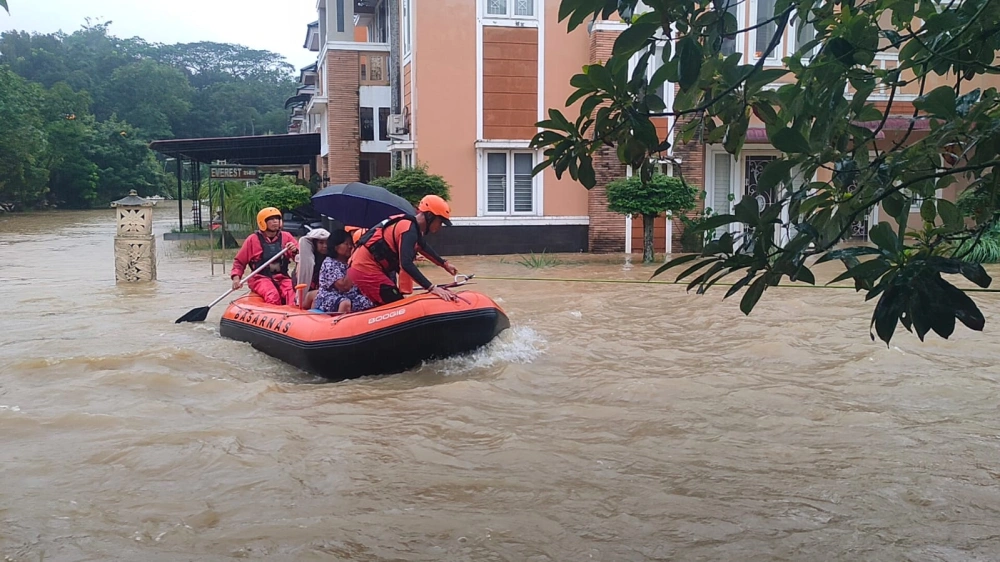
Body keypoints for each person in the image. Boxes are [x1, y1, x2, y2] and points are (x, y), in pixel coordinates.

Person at [347, 194, 461, 306]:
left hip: (362, 268)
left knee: (388, 304)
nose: (440, 226)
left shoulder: (412, 227)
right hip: (365, 270)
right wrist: (432, 288)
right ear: (430, 215)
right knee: (397, 305)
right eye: (440, 222)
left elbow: (424, 247)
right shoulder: (408, 229)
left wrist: (445, 264)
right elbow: (406, 263)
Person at [230, 207, 299, 305]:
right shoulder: (252, 240)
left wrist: (295, 251)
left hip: (282, 277)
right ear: (263, 222)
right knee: (273, 296)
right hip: (260, 278)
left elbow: (300, 258)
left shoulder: (287, 237)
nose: (275, 221)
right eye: (271, 219)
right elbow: (239, 262)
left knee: (294, 294)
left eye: (277, 218)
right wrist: (236, 278)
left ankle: (293, 316)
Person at [313, 228, 374, 314]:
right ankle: (338, 325)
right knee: (345, 303)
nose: (350, 247)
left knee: (370, 301)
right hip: (329, 297)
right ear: (336, 247)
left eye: (351, 244)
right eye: (346, 244)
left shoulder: (347, 262)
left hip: (350, 296)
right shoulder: (329, 262)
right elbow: (344, 286)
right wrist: (354, 263)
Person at [294, 228, 330, 310]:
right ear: (314, 244)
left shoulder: (332, 259)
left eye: (327, 243)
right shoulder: (303, 261)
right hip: (307, 294)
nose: (325, 246)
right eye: (321, 243)